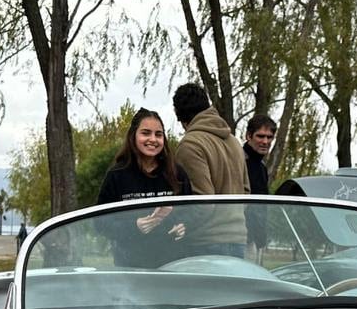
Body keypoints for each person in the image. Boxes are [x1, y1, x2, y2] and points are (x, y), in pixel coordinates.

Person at [96, 108, 192, 267]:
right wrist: (134, 227)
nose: (153, 139)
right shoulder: (117, 175)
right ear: (133, 136)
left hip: (173, 264)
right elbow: (100, 223)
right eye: (146, 133)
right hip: (131, 267)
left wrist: (184, 225)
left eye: (158, 134)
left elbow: (191, 210)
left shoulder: (176, 172)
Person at [171, 82, 249, 256]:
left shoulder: (190, 144)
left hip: (204, 242)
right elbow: (246, 192)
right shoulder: (234, 142)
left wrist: (181, 224)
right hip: (238, 239)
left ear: (180, 117)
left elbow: (203, 201)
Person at [241, 113, 276, 257]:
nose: (265, 141)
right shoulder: (240, 162)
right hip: (241, 237)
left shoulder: (261, 166)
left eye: (269, 137)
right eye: (260, 136)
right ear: (248, 136)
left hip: (255, 239)